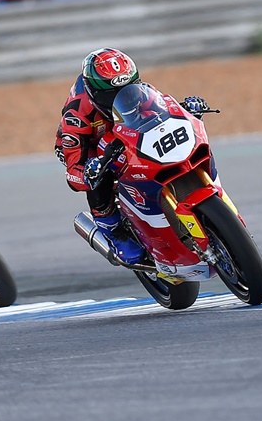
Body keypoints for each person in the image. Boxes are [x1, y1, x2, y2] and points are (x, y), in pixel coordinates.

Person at [54, 48, 210, 265]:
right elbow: (74, 173)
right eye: (112, 94)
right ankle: (112, 230)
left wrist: (187, 110)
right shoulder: (76, 116)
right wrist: (90, 170)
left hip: (123, 130)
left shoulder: (138, 91)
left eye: (129, 88)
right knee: (98, 176)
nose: (123, 96)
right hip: (87, 146)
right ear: (95, 94)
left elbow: (163, 110)